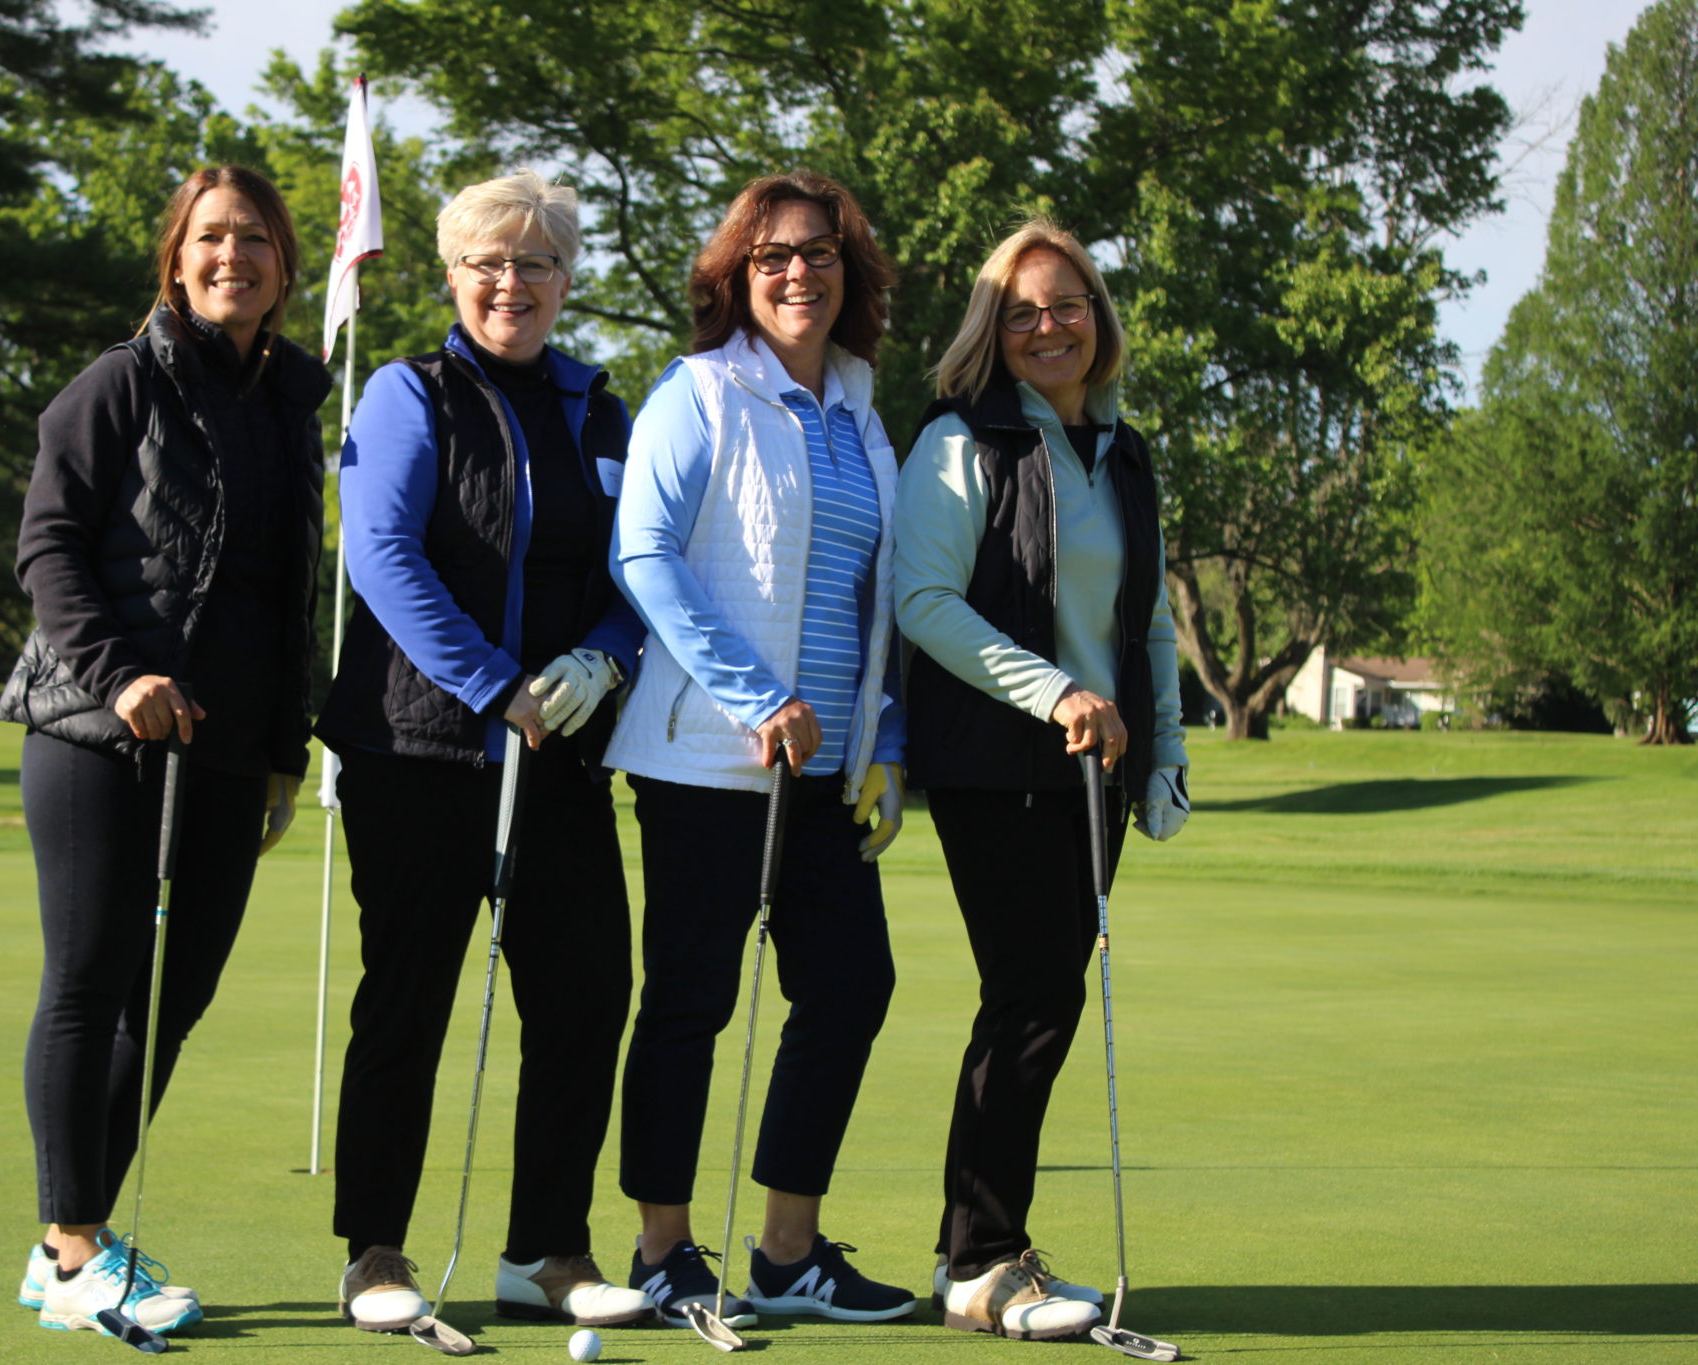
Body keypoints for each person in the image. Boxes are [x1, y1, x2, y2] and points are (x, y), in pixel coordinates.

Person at [313, 170, 653, 1336]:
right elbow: (385, 561)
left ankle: (547, 1250)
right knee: (406, 1002)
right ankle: (374, 1252)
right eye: (489, 262)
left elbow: (634, 572)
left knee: (584, 995)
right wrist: (494, 685)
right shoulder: (411, 394)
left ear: (565, 278)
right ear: (454, 274)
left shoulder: (599, 409)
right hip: (416, 749)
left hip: (556, 752)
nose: (513, 283)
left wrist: (603, 659)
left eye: (538, 262)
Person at [0, 164, 331, 1339]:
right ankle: (77, 1245)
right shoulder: (116, 385)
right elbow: (48, 552)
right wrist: (118, 673)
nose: (230, 256)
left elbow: (287, 589)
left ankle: (64, 1241)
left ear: (285, 265)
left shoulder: (294, 400)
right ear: (174, 259)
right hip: (97, 733)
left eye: (252, 239)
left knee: (174, 1000)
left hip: (231, 748)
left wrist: (287, 746)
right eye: (208, 238)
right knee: (92, 986)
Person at [605, 170, 914, 1329]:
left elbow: (864, 597)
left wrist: (881, 737)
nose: (799, 272)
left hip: (825, 774)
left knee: (848, 987)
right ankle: (663, 1251)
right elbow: (643, 557)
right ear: (737, 275)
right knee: (689, 1001)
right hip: (705, 760)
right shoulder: (697, 394)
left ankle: (786, 1255)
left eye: (821, 254)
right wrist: (755, 696)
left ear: (851, 274)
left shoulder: (861, 411)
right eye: (774, 255)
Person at [891, 216, 1190, 1340]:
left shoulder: (1121, 447)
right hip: (994, 761)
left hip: (1093, 775)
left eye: (1065, 304)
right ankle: (978, 1259)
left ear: (1098, 318)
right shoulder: (960, 443)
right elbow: (924, 604)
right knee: (1029, 999)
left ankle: (979, 1247)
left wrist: (1164, 752)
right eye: (1020, 312)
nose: (1046, 325)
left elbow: (1142, 614)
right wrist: (1052, 689)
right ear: (991, 330)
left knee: (1041, 1001)